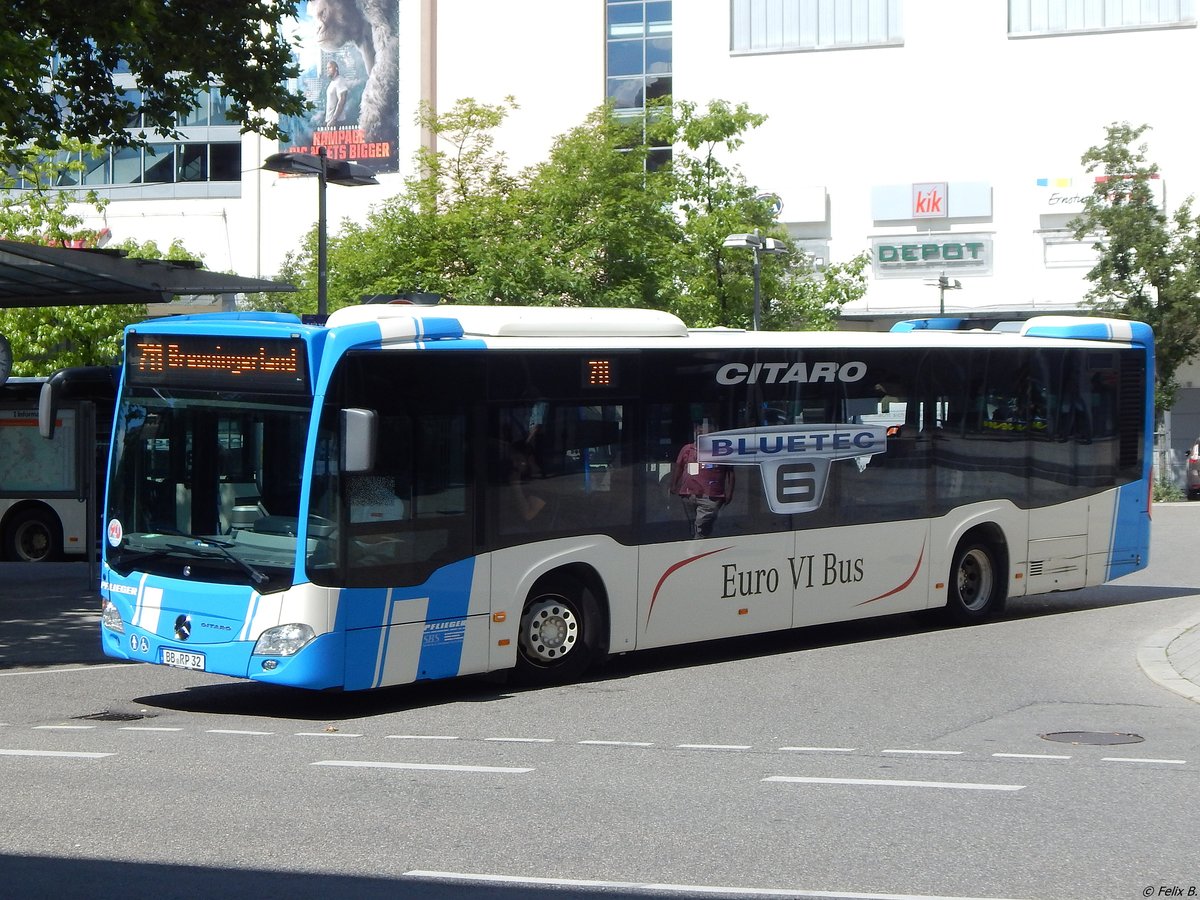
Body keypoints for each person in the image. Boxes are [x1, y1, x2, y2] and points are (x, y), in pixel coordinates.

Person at [669, 422, 734, 539]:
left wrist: (729, 492)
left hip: (711, 497)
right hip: (688, 495)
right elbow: (678, 466)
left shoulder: (722, 450)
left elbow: (730, 472)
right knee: (693, 525)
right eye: (698, 428)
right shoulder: (688, 449)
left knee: (701, 528)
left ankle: (696, 552)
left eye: (705, 429)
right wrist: (674, 484)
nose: (700, 431)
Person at [322, 60, 351, 127]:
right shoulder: (332, 82)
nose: (327, 70)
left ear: (336, 69)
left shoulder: (340, 80)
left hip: (337, 122)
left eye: (329, 67)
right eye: (327, 68)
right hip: (330, 122)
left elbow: (342, 100)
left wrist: (334, 119)